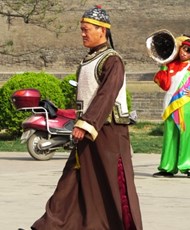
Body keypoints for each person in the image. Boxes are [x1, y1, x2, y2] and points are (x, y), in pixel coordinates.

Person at [27, 5, 142, 230]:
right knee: (72, 180)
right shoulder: (89, 60)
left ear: (102, 30)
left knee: (113, 183)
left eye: (86, 29)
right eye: (81, 29)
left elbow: (106, 94)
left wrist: (87, 123)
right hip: (88, 130)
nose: (82, 33)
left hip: (108, 132)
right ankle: (50, 225)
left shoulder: (112, 60)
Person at [152, 38, 190, 178]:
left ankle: (189, 167)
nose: (185, 53)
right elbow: (165, 85)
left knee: (188, 136)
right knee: (170, 137)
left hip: (186, 106)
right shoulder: (172, 66)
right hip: (171, 106)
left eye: (189, 51)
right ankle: (167, 168)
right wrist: (163, 66)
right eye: (184, 49)